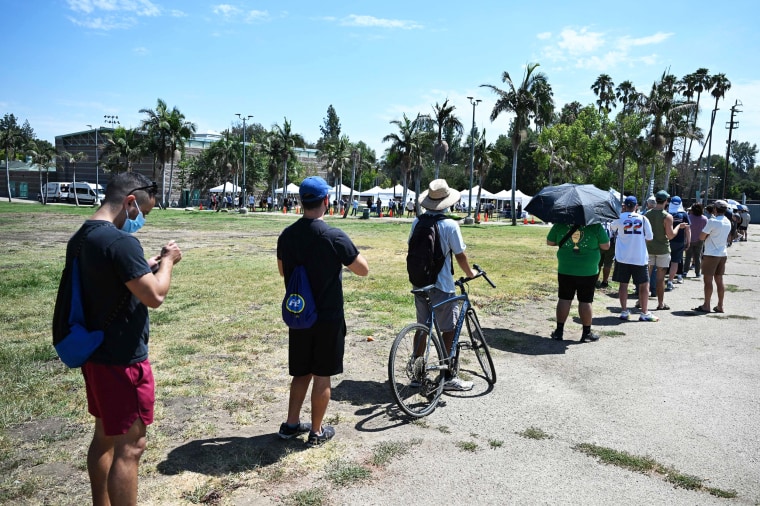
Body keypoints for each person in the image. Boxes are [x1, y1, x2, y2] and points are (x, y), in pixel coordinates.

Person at [67, 172, 182, 505]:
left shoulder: (83, 237)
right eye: (144, 212)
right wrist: (168, 263)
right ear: (131, 201)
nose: (142, 220)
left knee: (103, 436)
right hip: (122, 360)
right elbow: (155, 296)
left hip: (96, 355)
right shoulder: (121, 242)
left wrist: (143, 267)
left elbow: (105, 281)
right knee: (130, 447)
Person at [276, 176, 369, 446]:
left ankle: (291, 424)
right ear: (326, 201)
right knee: (322, 374)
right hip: (327, 317)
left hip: (299, 314)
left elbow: (283, 270)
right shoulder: (334, 236)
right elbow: (362, 269)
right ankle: (316, 431)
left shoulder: (287, 235)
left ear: (300, 201)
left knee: (301, 371)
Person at [409, 179, 476, 390]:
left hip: (420, 283)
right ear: (448, 202)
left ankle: (416, 374)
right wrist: (470, 273)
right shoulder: (449, 225)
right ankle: (447, 376)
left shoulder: (417, 222)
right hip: (442, 285)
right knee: (449, 328)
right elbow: (461, 256)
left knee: (423, 327)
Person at [547, 219, 610, 342]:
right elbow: (606, 246)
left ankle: (559, 331)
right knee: (586, 300)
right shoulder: (595, 226)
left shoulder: (561, 223)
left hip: (566, 268)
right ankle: (586, 333)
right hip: (588, 270)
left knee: (564, 298)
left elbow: (550, 242)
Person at [609, 196, 657, 321]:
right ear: (636, 206)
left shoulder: (619, 218)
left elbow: (611, 230)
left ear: (625, 206)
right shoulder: (643, 218)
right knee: (644, 285)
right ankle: (644, 312)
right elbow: (650, 237)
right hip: (639, 257)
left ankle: (624, 311)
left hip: (622, 257)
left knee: (623, 284)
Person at [645, 190, 686, 311]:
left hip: (649, 248)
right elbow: (671, 235)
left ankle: (641, 301)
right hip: (662, 249)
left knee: (646, 277)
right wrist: (679, 227)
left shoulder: (647, 214)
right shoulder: (667, 216)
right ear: (666, 201)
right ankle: (660, 303)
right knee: (660, 278)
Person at [693, 200, 732, 314]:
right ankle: (720, 305)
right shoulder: (727, 221)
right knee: (719, 280)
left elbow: (701, 236)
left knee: (708, 280)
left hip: (711, 254)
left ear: (715, 209)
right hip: (722, 253)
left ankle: (706, 305)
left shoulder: (712, 221)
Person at [666, 196, 690, 290]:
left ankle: (658, 280)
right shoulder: (683, 214)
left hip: (666, 240)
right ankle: (670, 281)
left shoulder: (666, 213)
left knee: (664, 262)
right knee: (675, 262)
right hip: (679, 241)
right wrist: (688, 242)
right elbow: (688, 230)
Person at [684, 203, 708, 277]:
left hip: (689, 239)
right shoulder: (704, 219)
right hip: (700, 239)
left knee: (688, 256)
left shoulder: (689, 217)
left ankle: (685, 271)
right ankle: (697, 272)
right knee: (697, 257)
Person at [596, 220, 615, 289]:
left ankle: (595, 280)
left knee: (597, 262)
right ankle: (605, 281)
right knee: (608, 263)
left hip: (600, 243)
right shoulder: (613, 221)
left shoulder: (598, 221)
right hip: (611, 243)